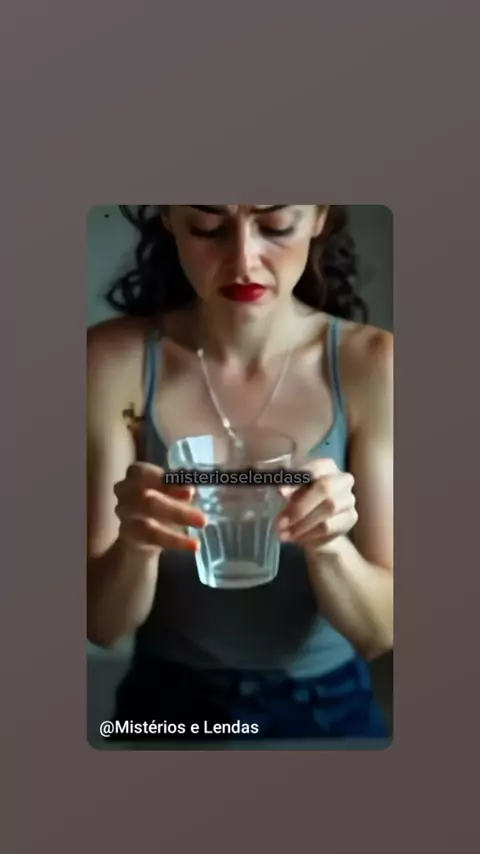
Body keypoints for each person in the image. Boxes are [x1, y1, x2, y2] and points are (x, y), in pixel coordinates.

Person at [87, 204, 393, 745]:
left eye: (276, 226)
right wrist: (137, 543)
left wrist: (330, 546)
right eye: (209, 228)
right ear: (170, 219)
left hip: (328, 708)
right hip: (167, 707)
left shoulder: (373, 363)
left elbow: (381, 632)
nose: (243, 261)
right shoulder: (112, 360)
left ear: (318, 217)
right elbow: (102, 627)